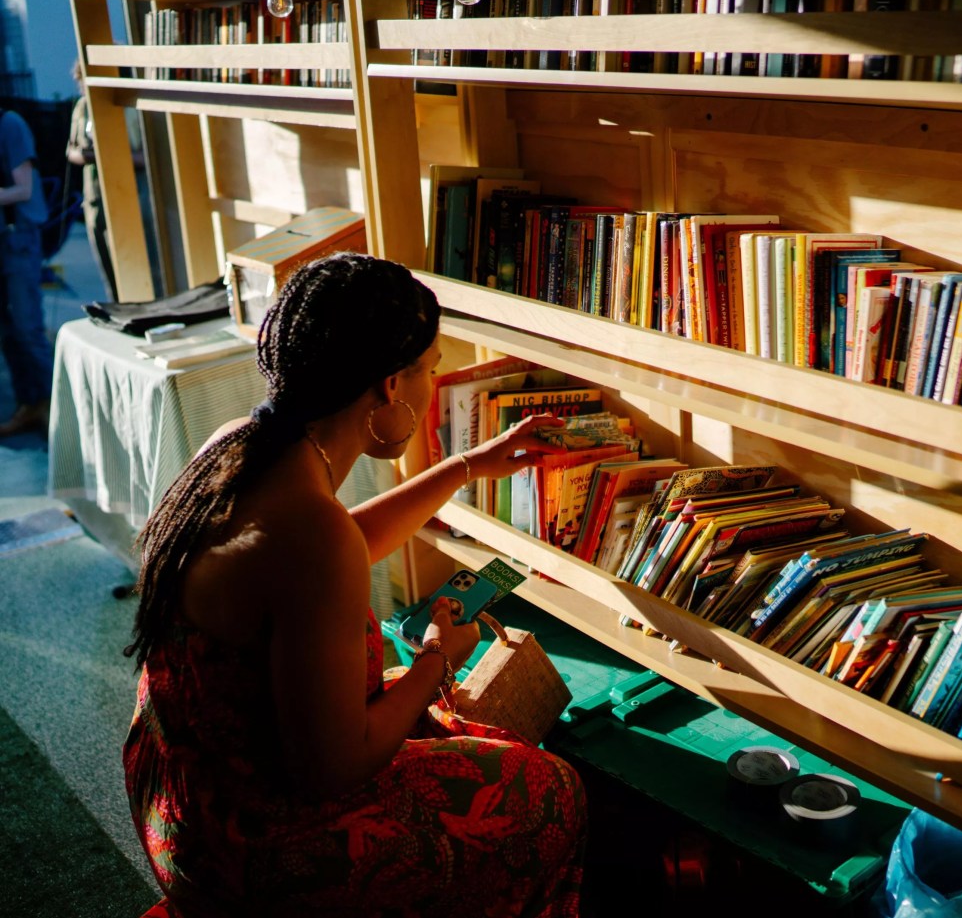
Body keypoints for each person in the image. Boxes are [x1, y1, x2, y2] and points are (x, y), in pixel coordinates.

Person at [123, 252, 587, 916]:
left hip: (177, 787)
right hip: (250, 845)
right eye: (430, 370)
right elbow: (333, 767)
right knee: (551, 791)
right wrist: (435, 660)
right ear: (391, 386)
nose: (432, 388)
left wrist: (465, 465)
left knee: (436, 715)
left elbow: (339, 545)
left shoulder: (239, 446)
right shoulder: (312, 534)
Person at [0, 106, 52, 438]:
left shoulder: (9, 123)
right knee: (8, 333)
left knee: (28, 329)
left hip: (17, 240)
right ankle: (29, 405)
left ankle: (57, 409)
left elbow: (24, 189)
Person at [66, 60, 118, 303]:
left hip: (129, 198)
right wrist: (89, 155)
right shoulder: (82, 107)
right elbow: (71, 150)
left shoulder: (124, 105)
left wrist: (106, 155)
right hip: (95, 199)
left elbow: (147, 155)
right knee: (108, 270)